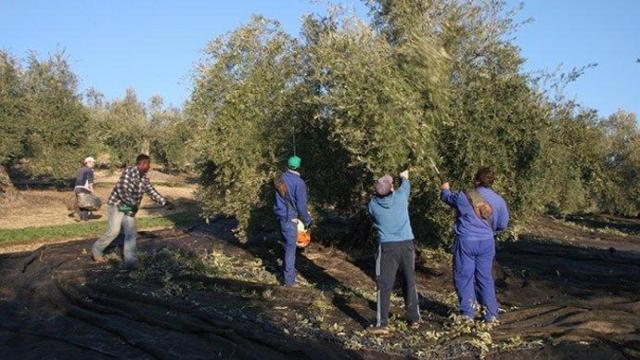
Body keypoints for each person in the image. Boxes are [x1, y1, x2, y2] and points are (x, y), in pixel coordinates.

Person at [440, 167, 509, 322]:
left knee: (464, 276)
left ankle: (467, 313)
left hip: (466, 241)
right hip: (487, 242)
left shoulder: (465, 196)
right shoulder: (499, 201)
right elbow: (503, 225)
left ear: (476, 180)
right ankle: (491, 314)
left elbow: (447, 198)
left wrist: (445, 189)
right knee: (485, 277)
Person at [91, 154, 171, 268]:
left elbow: (151, 191)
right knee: (113, 231)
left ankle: (131, 262)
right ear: (142, 164)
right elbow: (122, 189)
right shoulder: (129, 172)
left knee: (131, 233)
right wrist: (131, 205)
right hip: (117, 205)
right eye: (148, 164)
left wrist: (165, 202)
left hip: (128, 207)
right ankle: (96, 250)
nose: (149, 167)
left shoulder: (144, 178)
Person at [367, 170, 421, 336]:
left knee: (384, 285)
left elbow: (372, 218)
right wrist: (403, 175)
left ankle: (382, 323)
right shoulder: (401, 197)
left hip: (387, 247)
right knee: (409, 281)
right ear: (391, 188)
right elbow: (406, 182)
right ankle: (414, 319)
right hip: (407, 245)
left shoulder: (373, 205)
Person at [273, 155, 312, 287]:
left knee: (286, 245)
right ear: (299, 166)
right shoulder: (299, 183)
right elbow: (301, 205)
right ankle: (289, 281)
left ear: (288, 165)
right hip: (290, 218)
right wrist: (307, 220)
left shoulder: (280, 178)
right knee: (290, 249)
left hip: (280, 215)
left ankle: (285, 272)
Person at [74, 157, 96, 221]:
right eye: (93, 162)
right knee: (87, 204)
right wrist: (92, 191)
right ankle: (85, 219)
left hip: (76, 188)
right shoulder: (89, 170)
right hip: (84, 188)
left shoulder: (81, 169)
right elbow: (90, 182)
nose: (94, 163)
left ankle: (78, 214)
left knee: (80, 203)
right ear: (88, 162)